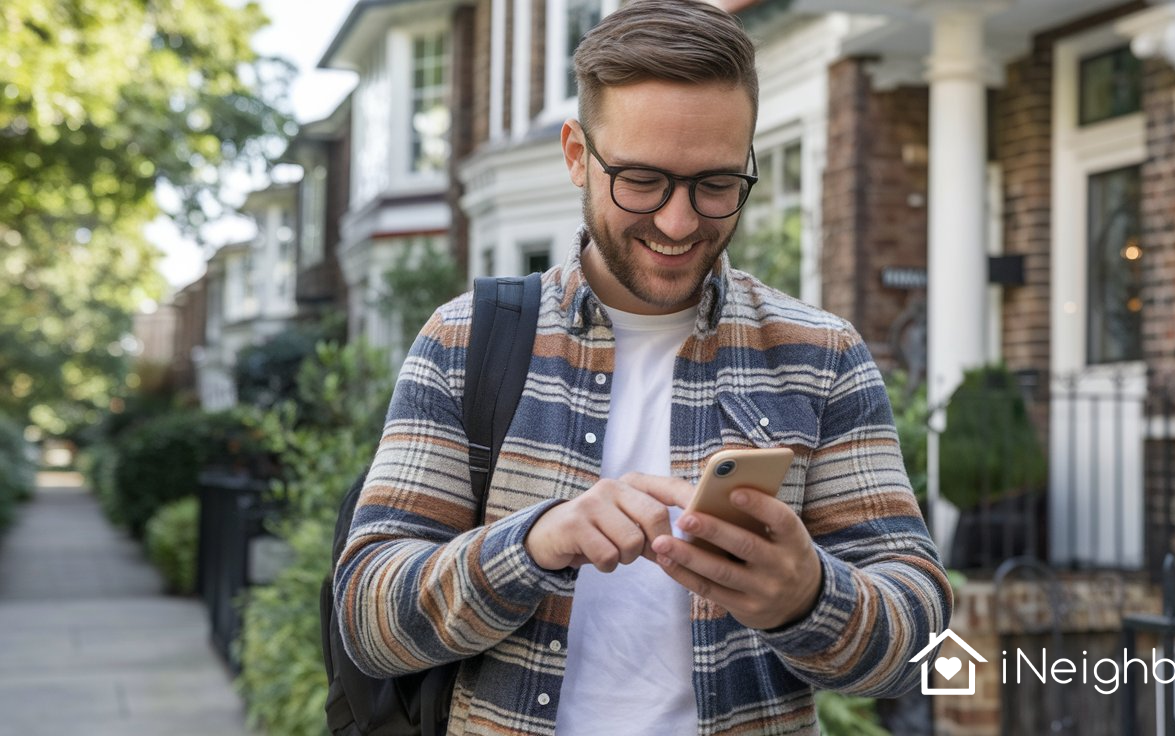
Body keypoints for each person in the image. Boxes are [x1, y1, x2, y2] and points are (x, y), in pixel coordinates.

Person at [334, 1, 952, 733]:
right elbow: (369, 617)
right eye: (642, 180)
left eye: (716, 184)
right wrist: (538, 543)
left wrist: (807, 596)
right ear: (575, 156)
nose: (679, 221)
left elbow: (918, 634)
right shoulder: (465, 340)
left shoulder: (820, 355)